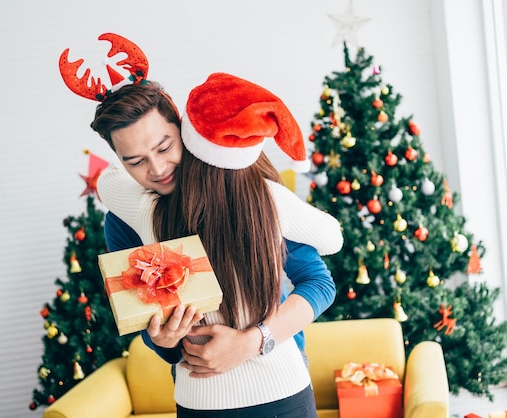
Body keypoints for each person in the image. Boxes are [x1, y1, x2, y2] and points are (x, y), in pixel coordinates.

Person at [96, 72, 340, 416]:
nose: (157, 167)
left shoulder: (250, 192)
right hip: (200, 397)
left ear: (182, 128)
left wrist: (252, 342)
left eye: (164, 147)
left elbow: (318, 281)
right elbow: (150, 320)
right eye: (134, 161)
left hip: (281, 385)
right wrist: (164, 341)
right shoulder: (131, 216)